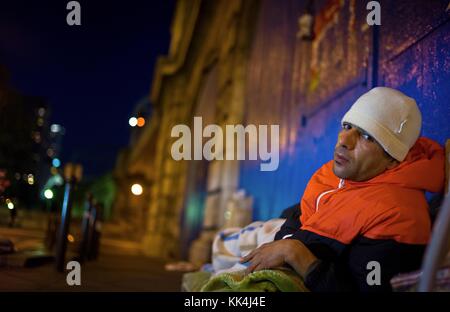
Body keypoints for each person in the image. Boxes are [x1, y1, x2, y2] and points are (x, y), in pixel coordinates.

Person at [241, 87, 445, 291]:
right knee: (238, 239)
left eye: (367, 136)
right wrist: (286, 242)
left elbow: (364, 288)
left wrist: (297, 254)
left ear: (392, 159)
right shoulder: (343, 172)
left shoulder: (399, 218)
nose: (344, 140)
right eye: (347, 126)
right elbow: (301, 213)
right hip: (277, 239)